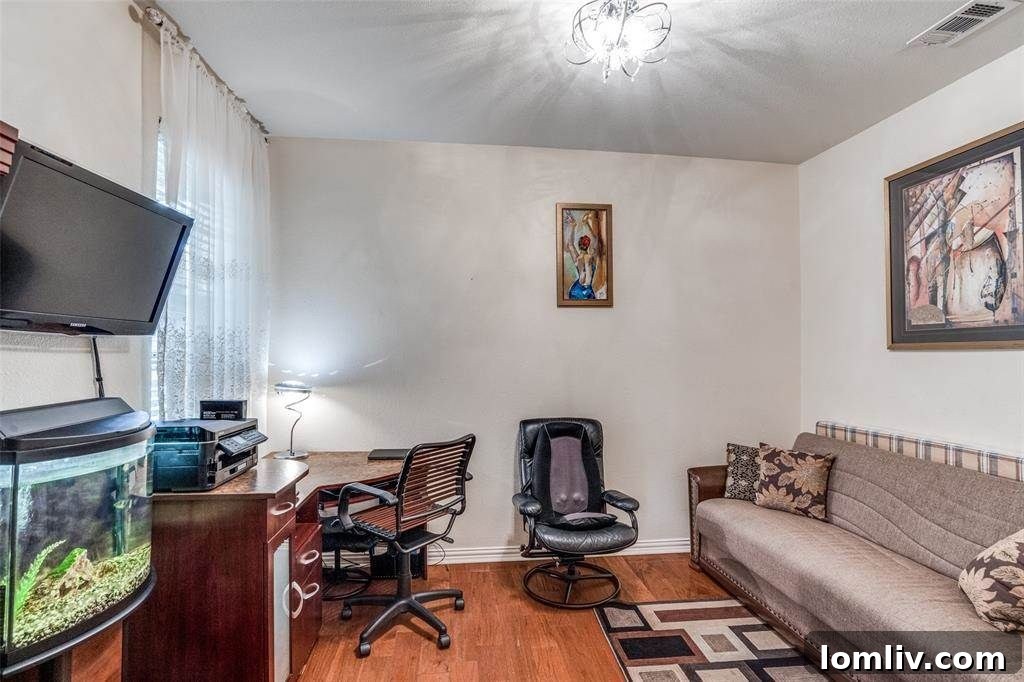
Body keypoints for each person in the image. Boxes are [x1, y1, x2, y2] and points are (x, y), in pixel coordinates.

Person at [566, 233, 596, 300]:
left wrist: (573, 228)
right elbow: (595, 240)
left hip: (576, 291)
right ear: (588, 246)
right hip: (587, 291)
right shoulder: (591, 257)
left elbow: (570, 245)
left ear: (579, 246)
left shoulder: (577, 259)